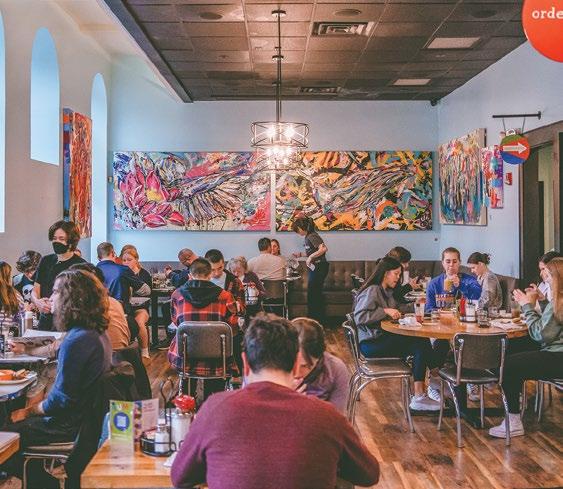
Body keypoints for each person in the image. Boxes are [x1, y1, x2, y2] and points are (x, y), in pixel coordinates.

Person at [171, 313, 379, 489]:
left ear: (245, 363)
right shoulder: (327, 416)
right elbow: (369, 474)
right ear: (296, 364)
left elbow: (180, 477)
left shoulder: (214, 408)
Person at [8, 269, 112, 459]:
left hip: (67, 425)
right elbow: (56, 351)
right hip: (85, 420)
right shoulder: (94, 333)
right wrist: (26, 350)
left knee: (6, 431)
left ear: (72, 298)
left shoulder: (76, 340)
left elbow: (60, 401)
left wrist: (27, 412)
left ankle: (20, 475)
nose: (50, 297)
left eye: (56, 292)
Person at [489, 258, 563, 439]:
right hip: (556, 354)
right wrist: (543, 302)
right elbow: (553, 323)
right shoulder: (558, 300)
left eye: (548, 275)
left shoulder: (560, 301)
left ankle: (513, 420)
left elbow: (540, 334)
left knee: (507, 365)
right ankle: (515, 396)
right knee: (511, 348)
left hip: (557, 357)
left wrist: (527, 306)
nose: (545, 278)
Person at [353, 256, 439, 411]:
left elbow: (398, 308)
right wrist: (385, 311)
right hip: (371, 344)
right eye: (396, 274)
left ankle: (432, 382)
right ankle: (428, 388)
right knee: (420, 343)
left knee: (421, 340)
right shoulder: (373, 290)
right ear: (385, 273)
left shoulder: (386, 291)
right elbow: (359, 317)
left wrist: (416, 306)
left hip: (379, 339)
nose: (398, 278)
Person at [167, 258, 240, 401]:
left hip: (185, 357)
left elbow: (176, 321)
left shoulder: (177, 295)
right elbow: (232, 327)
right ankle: (212, 401)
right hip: (218, 359)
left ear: (190, 275)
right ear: (210, 274)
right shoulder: (225, 296)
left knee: (186, 353)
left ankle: (187, 399)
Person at [32, 220, 86, 330]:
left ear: (71, 241)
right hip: (45, 321)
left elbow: (82, 300)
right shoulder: (46, 261)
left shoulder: (80, 265)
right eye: (54, 238)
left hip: (67, 323)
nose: (56, 242)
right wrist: (38, 302)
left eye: (61, 239)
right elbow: (35, 290)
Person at [292, 317, 350, 414]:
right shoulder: (274, 368)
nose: (296, 374)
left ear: (319, 357)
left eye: (305, 366)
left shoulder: (335, 369)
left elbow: (336, 417)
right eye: (291, 364)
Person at [69, 263, 131, 350]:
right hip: (120, 355)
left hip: (101, 356)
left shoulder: (85, 305)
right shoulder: (114, 302)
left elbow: (69, 343)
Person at [292, 217, 329, 323]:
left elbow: (323, 249)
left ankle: (315, 320)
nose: (297, 233)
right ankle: (315, 319)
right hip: (316, 267)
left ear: (300, 228)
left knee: (313, 294)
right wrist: (301, 254)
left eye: (297, 230)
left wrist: (310, 257)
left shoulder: (312, 236)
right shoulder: (308, 236)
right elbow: (313, 251)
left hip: (319, 267)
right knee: (314, 293)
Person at [120, 245, 152, 361]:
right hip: (124, 307)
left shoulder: (144, 274)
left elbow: (148, 294)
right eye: (124, 260)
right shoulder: (121, 273)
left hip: (140, 308)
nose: (126, 263)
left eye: (129, 260)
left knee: (139, 322)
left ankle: (144, 351)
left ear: (136, 260)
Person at [425, 247, 482, 312]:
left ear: (459, 262)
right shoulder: (434, 283)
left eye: (454, 261)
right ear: (443, 263)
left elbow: (477, 296)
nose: (451, 264)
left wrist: (460, 285)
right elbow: (428, 309)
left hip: (464, 317)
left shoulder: (470, 280)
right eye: (448, 261)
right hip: (441, 317)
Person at [205, 249, 246, 316]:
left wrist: (236, 307)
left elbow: (243, 309)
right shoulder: (201, 281)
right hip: (207, 318)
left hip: (227, 319)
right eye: (212, 270)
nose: (217, 273)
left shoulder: (235, 281)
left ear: (224, 264)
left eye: (220, 268)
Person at [0, 261, 25, 331]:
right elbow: (21, 320)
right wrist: (26, 310)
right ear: (8, 276)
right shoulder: (16, 296)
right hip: (6, 335)